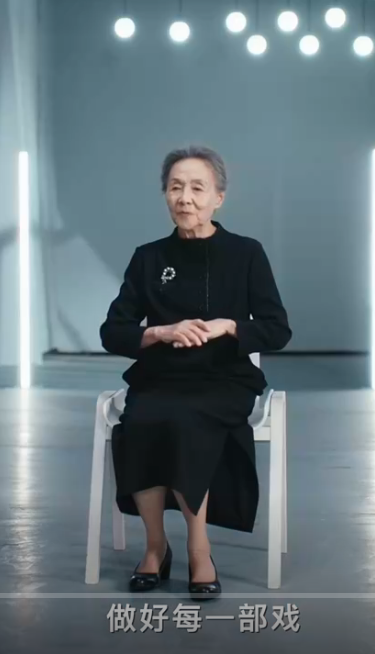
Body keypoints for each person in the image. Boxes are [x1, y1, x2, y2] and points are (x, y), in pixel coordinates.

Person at [99, 145, 291, 600]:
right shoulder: (148, 257)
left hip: (224, 379)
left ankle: (199, 550)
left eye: (197, 188)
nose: (185, 197)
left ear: (218, 198)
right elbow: (113, 331)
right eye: (175, 187)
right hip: (160, 377)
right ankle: (155, 546)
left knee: (187, 420)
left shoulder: (246, 253)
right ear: (166, 195)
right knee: (141, 421)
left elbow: (277, 329)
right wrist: (160, 332)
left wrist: (230, 326)